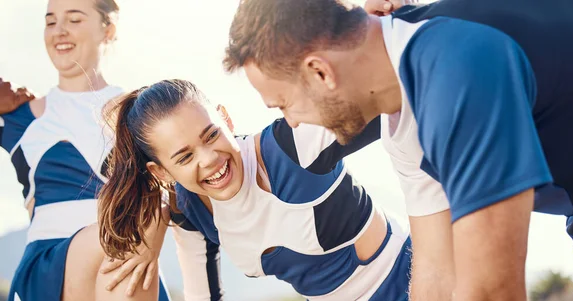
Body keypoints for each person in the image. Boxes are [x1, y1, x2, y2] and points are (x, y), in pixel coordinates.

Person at [223, 0, 573, 300]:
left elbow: (491, 291)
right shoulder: (403, 122)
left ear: (321, 72)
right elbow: (436, 272)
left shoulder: (452, 68)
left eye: (284, 105)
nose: (290, 123)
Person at [98, 79, 413, 300]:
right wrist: (155, 227)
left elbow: (399, 92)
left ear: (226, 119)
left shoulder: (291, 148)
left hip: (414, 281)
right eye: (185, 156)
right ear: (162, 172)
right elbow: (201, 296)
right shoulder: (191, 212)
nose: (209, 159)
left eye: (211, 135)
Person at [0, 0, 171, 300]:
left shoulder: (138, 111)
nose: (59, 31)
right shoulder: (20, 118)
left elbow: (173, 188)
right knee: (115, 241)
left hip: (131, 258)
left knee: (122, 246)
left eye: (74, 20)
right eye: (51, 22)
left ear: (108, 30)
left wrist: (152, 240)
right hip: (49, 269)